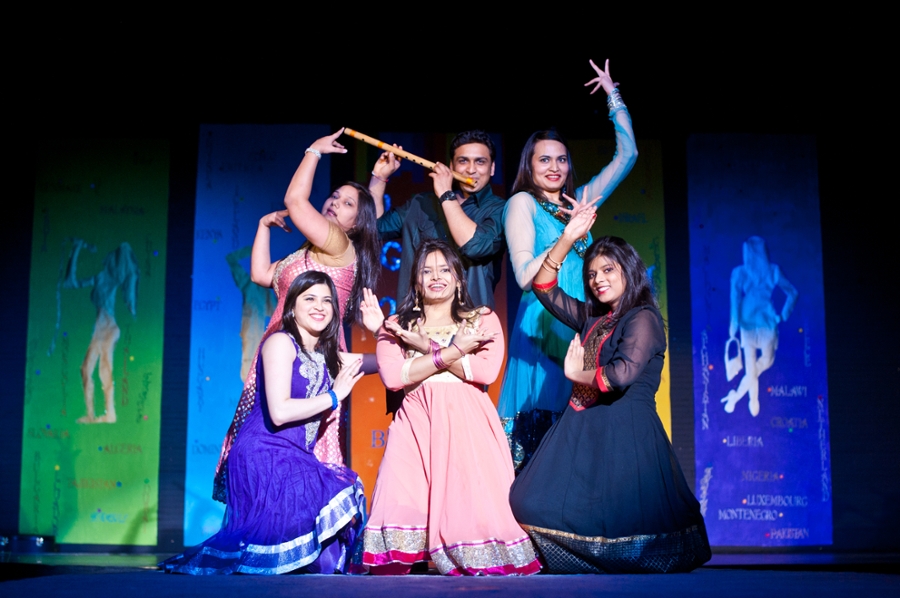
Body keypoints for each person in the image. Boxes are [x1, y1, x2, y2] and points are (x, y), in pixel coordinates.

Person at [509, 212, 711, 573]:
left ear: (628, 271)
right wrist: (568, 238)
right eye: (592, 274)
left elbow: (620, 375)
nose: (598, 280)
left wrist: (576, 372)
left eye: (608, 270)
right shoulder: (593, 316)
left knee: (624, 520)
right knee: (527, 499)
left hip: (625, 429)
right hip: (585, 427)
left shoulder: (642, 317)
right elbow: (544, 287)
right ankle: (589, 566)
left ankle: (615, 575)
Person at [163, 271, 381, 574]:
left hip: (296, 458)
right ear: (292, 305)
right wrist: (334, 396)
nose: (319, 306)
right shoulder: (280, 343)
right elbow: (279, 412)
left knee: (322, 552)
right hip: (263, 454)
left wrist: (382, 330)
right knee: (279, 552)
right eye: (310, 299)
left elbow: (388, 363)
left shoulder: (329, 355)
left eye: (327, 301)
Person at [213, 129, 381, 503]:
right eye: (334, 196)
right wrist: (262, 226)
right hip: (278, 349)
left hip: (312, 353)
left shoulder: (339, 245)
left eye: (347, 203)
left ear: (357, 222)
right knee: (267, 433)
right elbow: (260, 275)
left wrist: (314, 151)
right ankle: (269, 521)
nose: (335, 203)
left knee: (306, 440)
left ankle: (304, 526)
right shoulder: (303, 254)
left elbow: (294, 198)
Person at [355, 239, 540, 576]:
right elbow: (396, 378)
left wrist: (425, 348)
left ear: (459, 279)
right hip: (415, 421)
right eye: (426, 271)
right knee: (401, 496)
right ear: (415, 281)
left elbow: (484, 372)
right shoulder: (397, 324)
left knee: (467, 506)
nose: (436, 277)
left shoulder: (481, 318)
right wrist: (453, 352)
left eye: (444, 270)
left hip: (466, 421)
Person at [498, 58, 639, 472]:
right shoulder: (521, 203)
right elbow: (526, 276)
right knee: (539, 445)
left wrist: (614, 96)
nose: (554, 167)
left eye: (561, 160)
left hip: (583, 324)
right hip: (543, 325)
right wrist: (568, 236)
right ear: (530, 165)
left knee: (581, 445)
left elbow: (627, 154)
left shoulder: (579, 201)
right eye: (544, 160)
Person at [369, 130, 505, 309]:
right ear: (451, 166)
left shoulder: (500, 209)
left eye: (480, 162)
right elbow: (374, 229)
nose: (471, 170)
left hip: (472, 324)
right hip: (417, 321)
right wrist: (379, 177)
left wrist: (446, 195)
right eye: (463, 161)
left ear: (492, 168)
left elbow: (475, 246)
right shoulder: (420, 203)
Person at [61, 239, 139, 424]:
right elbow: (70, 283)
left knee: (105, 370)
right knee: (85, 370)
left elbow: (129, 272)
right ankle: (90, 414)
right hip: (98, 331)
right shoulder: (99, 278)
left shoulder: (113, 279)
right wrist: (76, 249)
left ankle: (110, 414)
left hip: (109, 328)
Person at [721, 236, 798, 417]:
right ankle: (751, 400)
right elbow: (735, 298)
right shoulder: (768, 271)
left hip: (757, 321)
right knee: (758, 364)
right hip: (758, 322)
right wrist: (782, 316)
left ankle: (737, 396)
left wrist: (783, 315)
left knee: (765, 361)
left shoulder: (752, 272)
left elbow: (735, 299)